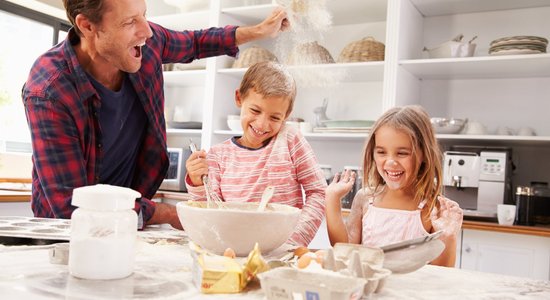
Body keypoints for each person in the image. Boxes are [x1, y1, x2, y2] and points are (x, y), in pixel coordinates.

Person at [21, 0, 290, 230]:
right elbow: (70, 204)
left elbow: (195, 43)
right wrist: (170, 214)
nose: (146, 31)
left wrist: (258, 31)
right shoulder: (49, 90)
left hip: (126, 221)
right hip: (66, 234)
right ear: (87, 26)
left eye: (144, 15)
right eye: (129, 22)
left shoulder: (145, 47)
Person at [185, 61, 326, 246]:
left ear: (287, 114)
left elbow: (319, 192)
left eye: (275, 117)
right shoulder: (218, 155)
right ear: (239, 98)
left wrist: (294, 241)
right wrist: (197, 181)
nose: (262, 124)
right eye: (255, 110)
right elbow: (209, 212)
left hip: (283, 250)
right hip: (233, 249)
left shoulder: (290, 139)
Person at [325, 105, 463, 267]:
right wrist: (332, 200)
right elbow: (344, 249)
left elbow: (442, 272)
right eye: (381, 152)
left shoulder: (434, 208)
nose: (390, 162)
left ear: (424, 154)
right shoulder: (365, 199)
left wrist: (449, 237)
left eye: (402, 153)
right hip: (371, 291)